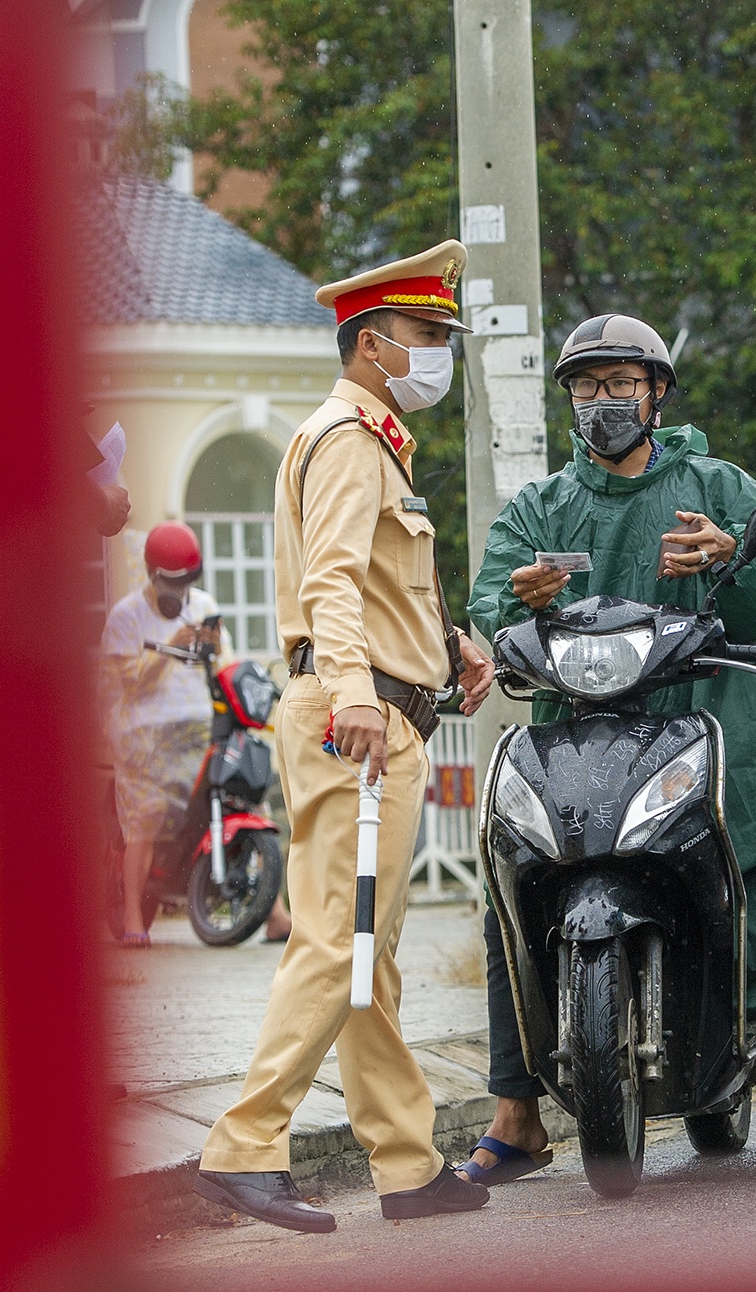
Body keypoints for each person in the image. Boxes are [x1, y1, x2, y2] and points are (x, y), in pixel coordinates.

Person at [462, 312, 756, 1181]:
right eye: (585, 385)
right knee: (511, 903)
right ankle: (514, 1114)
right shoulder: (542, 505)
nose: (602, 401)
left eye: (620, 384)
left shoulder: (715, 482)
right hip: (576, 745)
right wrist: (516, 602)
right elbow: (491, 597)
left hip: (704, 728)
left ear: (655, 393)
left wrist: (732, 558)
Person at [194, 240, 498, 1232]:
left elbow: (370, 587)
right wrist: (360, 694)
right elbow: (327, 581)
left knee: (371, 950)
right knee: (339, 940)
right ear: (373, 346)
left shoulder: (369, 445)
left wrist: (445, 645)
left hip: (377, 714)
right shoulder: (345, 439)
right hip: (352, 722)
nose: (437, 353)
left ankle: (405, 1164)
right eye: (425, 335)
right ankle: (243, 1143)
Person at [99, 522, 227, 947]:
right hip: (145, 733)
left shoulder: (203, 604)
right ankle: (135, 915)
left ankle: (273, 913)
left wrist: (210, 644)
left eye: (189, 582)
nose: (183, 592)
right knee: (146, 818)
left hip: (197, 725)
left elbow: (220, 662)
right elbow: (128, 684)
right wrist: (171, 645)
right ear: (153, 575)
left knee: (227, 799)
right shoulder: (127, 616)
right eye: (174, 582)